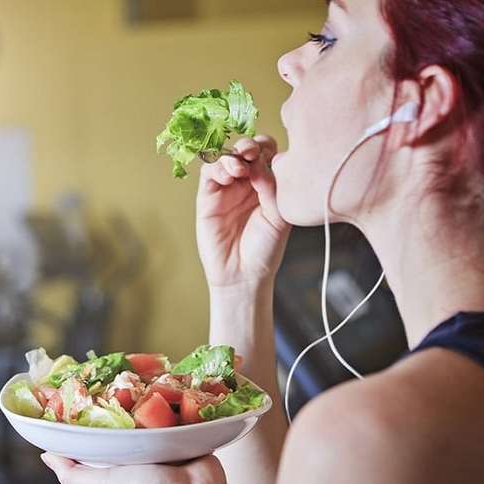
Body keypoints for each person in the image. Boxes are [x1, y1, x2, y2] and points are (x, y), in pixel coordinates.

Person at [41, 0, 484, 482]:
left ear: (423, 104)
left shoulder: (373, 436)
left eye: (328, 40)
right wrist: (239, 287)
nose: (288, 63)